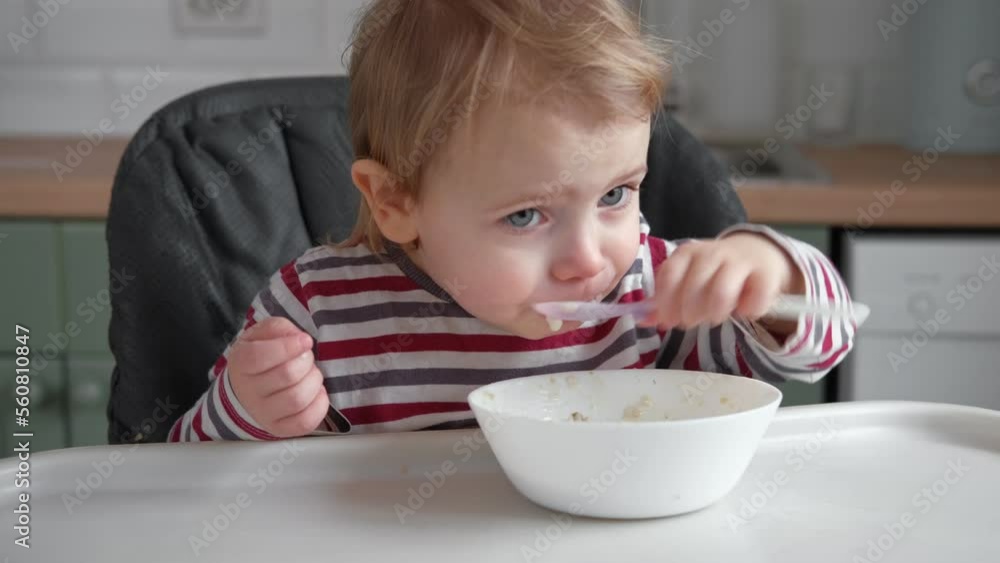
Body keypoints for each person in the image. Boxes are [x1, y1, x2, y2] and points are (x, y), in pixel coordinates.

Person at [168, 0, 855, 442]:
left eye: (616, 195)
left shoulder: (654, 295)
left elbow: (826, 339)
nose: (588, 261)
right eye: (527, 214)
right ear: (395, 202)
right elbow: (183, 473)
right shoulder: (322, 314)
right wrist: (248, 411)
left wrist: (772, 278)